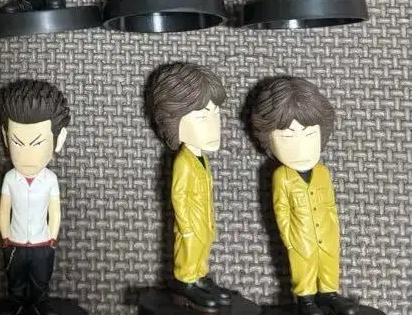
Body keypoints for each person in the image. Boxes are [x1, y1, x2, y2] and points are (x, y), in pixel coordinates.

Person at [249, 77, 358, 315]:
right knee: (303, 265)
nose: (301, 148)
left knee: (329, 261)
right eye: (288, 137)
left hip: (326, 231)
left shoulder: (323, 173)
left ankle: (329, 292)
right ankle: (305, 298)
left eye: (309, 135)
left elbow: (330, 204)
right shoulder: (282, 176)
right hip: (301, 235)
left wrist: (333, 227)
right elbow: (281, 210)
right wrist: (290, 238)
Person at [147, 62, 233, 312]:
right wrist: (185, 225)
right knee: (190, 248)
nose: (214, 125)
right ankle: (186, 280)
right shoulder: (184, 161)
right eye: (202, 117)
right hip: (190, 221)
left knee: (203, 247)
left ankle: (199, 275)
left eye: (216, 114)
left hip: (203, 218)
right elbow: (179, 195)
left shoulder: (201, 158)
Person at [0, 79, 71, 315]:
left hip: (42, 243)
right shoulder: (9, 178)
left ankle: (40, 306)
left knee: (41, 280)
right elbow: (3, 210)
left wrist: (52, 239)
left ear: (58, 140)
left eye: (37, 143)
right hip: (15, 242)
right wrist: (5, 238)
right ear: (6, 137)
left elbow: (55, 211)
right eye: (18, 143)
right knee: (15, 280)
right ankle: (17, 306)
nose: (27, 155)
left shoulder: (50, 179)